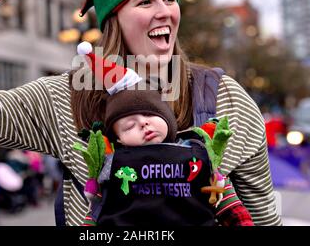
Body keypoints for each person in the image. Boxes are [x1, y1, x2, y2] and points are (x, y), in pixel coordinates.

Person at [0, 0, 281, 225]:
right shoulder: (68, 97)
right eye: (145, 1)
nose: (164, 11)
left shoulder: (225, 98)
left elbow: (263, 214)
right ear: (114, 20)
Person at [74, 48, 253, 226]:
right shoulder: (112, 164)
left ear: (167, 117)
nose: (143, 124)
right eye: (129, 126)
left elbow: (227, 202)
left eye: (149, 114)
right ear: (118, 139)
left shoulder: (197, 152)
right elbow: (96, 211)